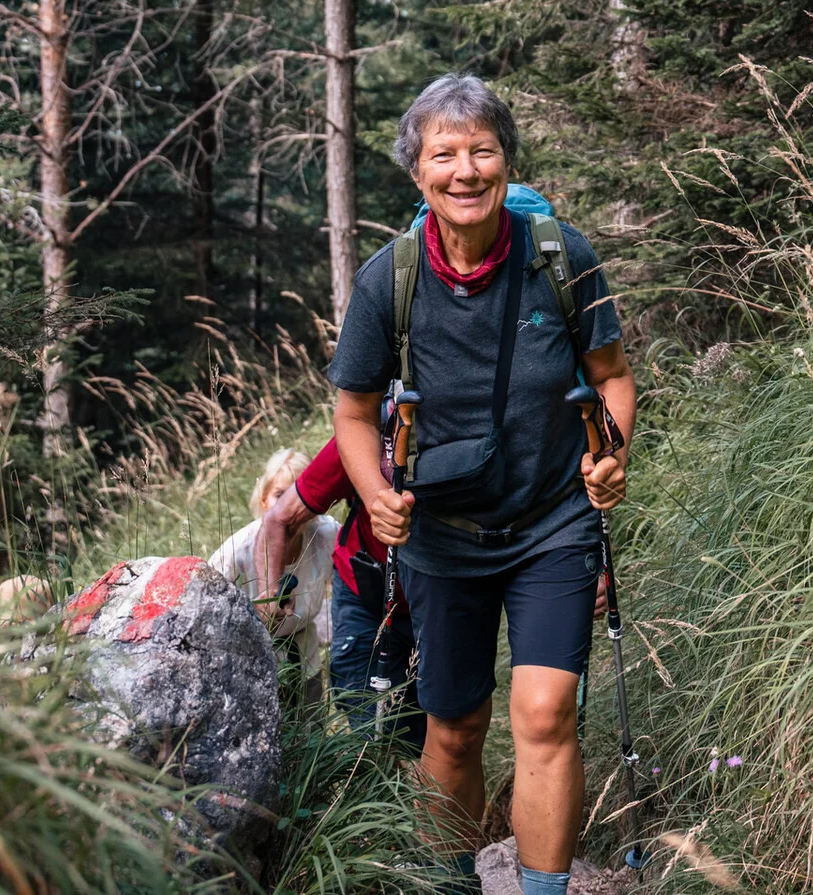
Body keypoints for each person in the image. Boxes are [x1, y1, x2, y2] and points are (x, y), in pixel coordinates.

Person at [327, 74, 636, 895]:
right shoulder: (388, 280)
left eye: (482, 151)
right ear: (419, 172)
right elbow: (352, 411)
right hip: (439, 534)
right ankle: (453, 885)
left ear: (505, 161)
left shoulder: (559, 257)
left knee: (543, 713)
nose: (465, 170)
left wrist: (611, 455)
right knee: (455, 727)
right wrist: (377, 494)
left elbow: (612, 377)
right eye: (445, 154)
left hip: (551, 524)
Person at [256, 437, 427, 750]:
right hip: (366, 599)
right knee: (369, 731)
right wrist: (268, 595)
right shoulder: (369, 433)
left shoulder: (325, 533)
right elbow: (279, 519)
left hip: (434, 604)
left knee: (430, 732)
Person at [208, 448, 339, 700]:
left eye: (297, 495)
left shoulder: (327, 534)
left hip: (306, 662)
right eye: (280, 494)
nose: (288, 506)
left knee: (312, 733)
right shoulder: (235, 554)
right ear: (264, 498)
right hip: (252, 671)